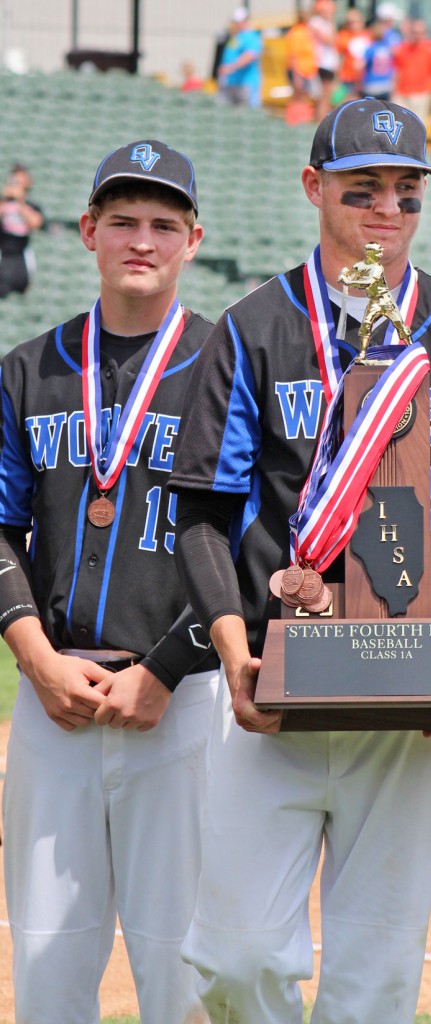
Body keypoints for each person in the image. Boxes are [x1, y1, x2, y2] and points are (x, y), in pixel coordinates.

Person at [168, 96, 431, 1022]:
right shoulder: (249, 330)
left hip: (411, 704)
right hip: (273, 690)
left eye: (408, 193)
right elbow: (201, 518)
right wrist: (237, 654)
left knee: (376, 977)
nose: (387, 211)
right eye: (364, 189)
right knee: (234, 960)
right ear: (314, 187)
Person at [0, 140, 219, 1023]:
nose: (143, 239)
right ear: (87, 231)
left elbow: (253, 547)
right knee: (48, 968)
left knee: (183, 970)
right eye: (122, 220)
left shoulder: (225, 369)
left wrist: (164, 669)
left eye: (164, 224)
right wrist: (35, 658)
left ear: (193, 240)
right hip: (52, 697)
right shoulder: (28, 369)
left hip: (183, 697)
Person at [0, 163, 44, 297]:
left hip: (21, 255)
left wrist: (19, 201)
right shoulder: (2, 202)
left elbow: (36, 222)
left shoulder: (31, 206)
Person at [393, 19, 431, 122]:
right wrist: (394, 90)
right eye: (415, 32)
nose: (417, 36)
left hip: (421, 94)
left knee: (417, 125)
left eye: (420, 33)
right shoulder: (402, 48)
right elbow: (397, 71)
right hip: (402, 94)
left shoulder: (430, 50)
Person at [216, 6, 263, 107]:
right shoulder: (235, 36)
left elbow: (249, 56)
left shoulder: (251, 36)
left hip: (245, 84)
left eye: (237, 22)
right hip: (230, 84)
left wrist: (232, 67)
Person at [308, 0, 339, 119]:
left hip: (328, 64)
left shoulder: (324, 23)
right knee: (323, 96)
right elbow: (329, 40)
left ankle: (322, 118)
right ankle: (320, 120)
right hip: (322, 63)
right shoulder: (316, 22)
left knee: (328, 95)